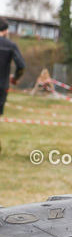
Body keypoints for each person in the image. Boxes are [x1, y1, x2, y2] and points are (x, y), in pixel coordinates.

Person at [0, 19, 26, 154]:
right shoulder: (10, 46)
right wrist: (15, 78)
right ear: (5, 30)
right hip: (2, 86)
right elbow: (21, 66)